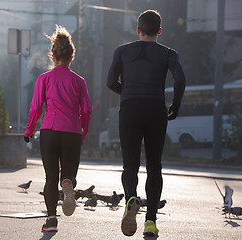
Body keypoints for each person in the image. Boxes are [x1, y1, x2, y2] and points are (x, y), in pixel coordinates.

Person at [107, 10, 186, 237]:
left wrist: (128, 93)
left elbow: (110, 81)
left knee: (129, 165)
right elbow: (180, 78)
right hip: (155, 109)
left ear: (138, 29)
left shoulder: (122, 51)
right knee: (154, 166)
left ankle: (131, 196)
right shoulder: (168, 53)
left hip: (130, 109)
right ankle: (150, 222)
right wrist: (175, 105)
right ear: (159, 31)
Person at [24, 25, 92, 232]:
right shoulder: (79, 81)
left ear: (52, 56)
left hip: (49, 131)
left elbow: (36, 107)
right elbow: (87, 109)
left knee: (50, 178)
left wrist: (29, 131)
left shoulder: (43, 79)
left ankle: (51, 220)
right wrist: (83, 131)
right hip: (72, 131)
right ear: (72, 57)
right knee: (67, 174)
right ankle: (69, 181)